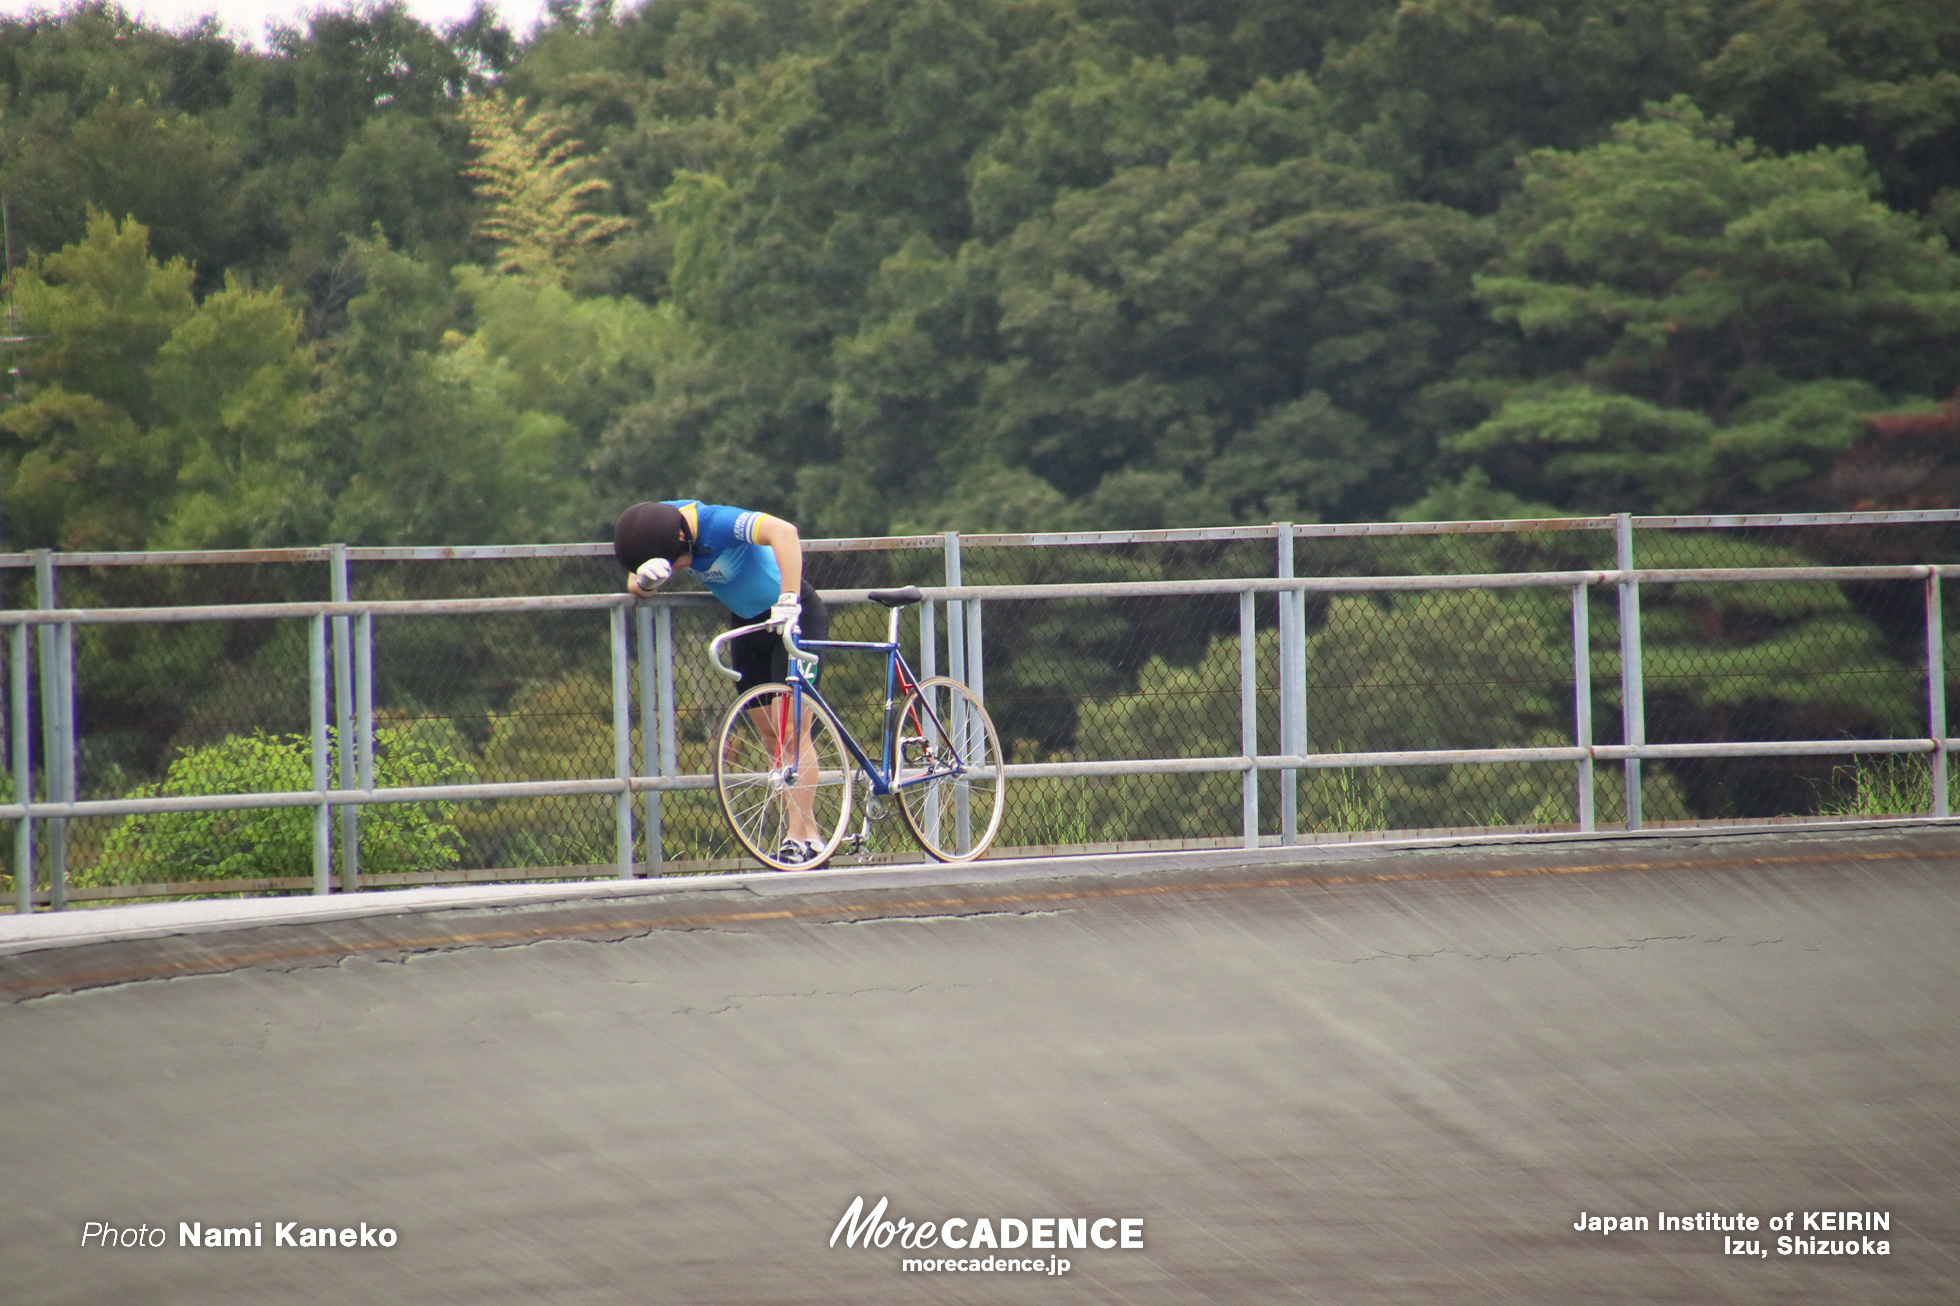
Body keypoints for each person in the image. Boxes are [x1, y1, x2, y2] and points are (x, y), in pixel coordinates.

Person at [613, 500, 832, 865]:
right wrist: (645, 583)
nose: (682, 568)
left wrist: (789, 598)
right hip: (749, 625)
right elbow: (635, 581)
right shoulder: (657, 525)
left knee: (792, 728)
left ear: (684, 537)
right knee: (770, 737)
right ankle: (812, 837)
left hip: (793, 616)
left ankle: (795, 839)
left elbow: (784, 532)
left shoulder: (717, 523)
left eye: (679, 561)